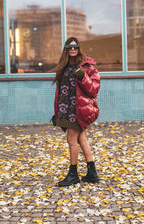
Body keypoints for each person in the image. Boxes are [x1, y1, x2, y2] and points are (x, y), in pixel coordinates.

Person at [53, 36, 100, 187]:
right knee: (81, 139)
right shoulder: (64, 66)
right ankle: (92, 172)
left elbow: (94, 89)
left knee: (71, 141)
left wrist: (83, 76)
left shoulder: (87, 67)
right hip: (66, 110)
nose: (72, 49)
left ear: (79, 48)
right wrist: (58, 113)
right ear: (66, 50)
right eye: (69, 47)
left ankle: (73, 174)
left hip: (78, 110)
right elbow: (61, 93)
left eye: (75, 47)